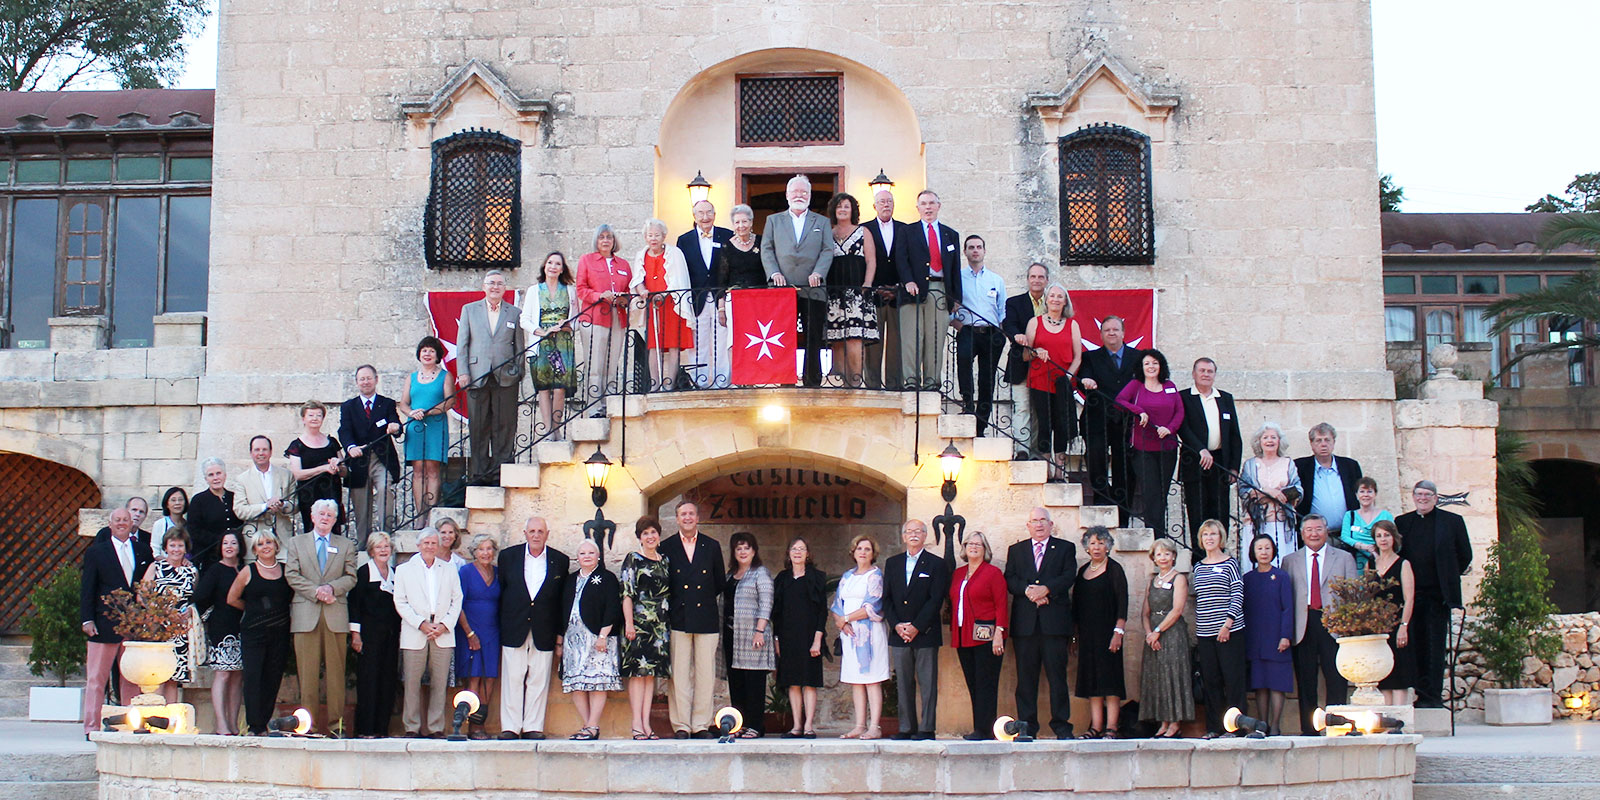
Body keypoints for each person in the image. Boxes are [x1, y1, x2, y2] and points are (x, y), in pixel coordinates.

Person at [1394, 480, 1473, 709]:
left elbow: (1464, 554)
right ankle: (1419, 693)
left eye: (1428, 494)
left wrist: (1448, 575)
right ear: (1414, 497)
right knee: (1414, 645)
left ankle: (1433, 696)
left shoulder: (1452, 522)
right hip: (1411, 595)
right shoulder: (1403, 522)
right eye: (1419, 494)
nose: (1423, 498)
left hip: (1438, 595)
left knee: (1435, 645)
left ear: (1436, 497)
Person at [283, 499, 359, 736]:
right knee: (307, 675)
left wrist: (331, 589)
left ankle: (337, 726)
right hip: (306, 615)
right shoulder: (296, 543)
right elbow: (291, 574)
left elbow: (351, 577)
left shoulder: (346, 545)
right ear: (312, 516)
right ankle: (308, 725)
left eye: (330, 515)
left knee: (337, 674)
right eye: (321, 513)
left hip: (335, 614)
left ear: (335, 520)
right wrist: (316, 591)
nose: (325, 517)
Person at [1004, 507, 1076, 739]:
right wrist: (1028, 591)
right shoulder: (1016, 550)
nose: (1039, 525)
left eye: (1043, 520)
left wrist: (1047, 590)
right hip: (1026, 626)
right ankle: (1027, 726)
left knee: (1057, 678)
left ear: (1050, 524)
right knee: (1025, 679)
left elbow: (1068, 575)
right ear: (1028, 525)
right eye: (1034, 521)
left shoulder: (1065, 548)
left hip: (1054, 625)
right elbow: (1010, 578)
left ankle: (1062, 726)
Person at [80, 508, 153, 735]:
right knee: (96, 679)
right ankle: (91, 727)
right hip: (103, 623)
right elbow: (88, 588)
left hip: (133, 625)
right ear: (110, 525)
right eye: (117, 520)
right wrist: (87, 619)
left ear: (132, 524)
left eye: (126, 520)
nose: (122, 523)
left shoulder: (143, 551)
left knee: (131, 677)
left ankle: (127, 724)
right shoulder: (96, 552)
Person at [1282, 515, 1357, 734]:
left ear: (1326, 531)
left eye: (1318, 529)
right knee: (1306, 681)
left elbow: (1352, 594)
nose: (1313, 534)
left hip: (1333, 623)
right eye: (1309, 530)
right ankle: (1309, 730)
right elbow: (1286, 599)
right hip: (1303, 623)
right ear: (1302, 533)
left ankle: (1338, 727)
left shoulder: (1344, 558)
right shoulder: (1290, 560)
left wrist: (1350, 627)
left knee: (1336, 678)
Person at [497, 516, 569, 739]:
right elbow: (501, 592)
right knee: (512, 678)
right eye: (532, 531)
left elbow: (561, 600)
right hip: (514, 625)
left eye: (540, 531)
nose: (536, 535)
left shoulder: (560, 560)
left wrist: (559, 635)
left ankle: (532, 727)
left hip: (544, 628)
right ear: (525, 533)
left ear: (547, 534)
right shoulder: (508, 557)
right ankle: (510, 727)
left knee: (538, 679)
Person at [759, 175, 835, 387]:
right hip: (782, 288)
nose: (799, 195)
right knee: (784, 334)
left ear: (810, 196)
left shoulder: (822, 222)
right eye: (795, 192)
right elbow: (767, 249)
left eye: (804, 192)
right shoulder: (773, 220)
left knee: (813, 335)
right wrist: (774, 273)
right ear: (787, 195)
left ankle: (812, 380)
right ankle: (785, 379)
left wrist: (819, 273)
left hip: (813, 287)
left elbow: (827, 250)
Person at [661, 501, 725, 738]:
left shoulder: (712, 546)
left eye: (691, 513)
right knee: (678, 674)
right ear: (677, 519)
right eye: (682, 514)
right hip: (678, 617)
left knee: (705, 674)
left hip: (706, 617)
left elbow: (719, 582)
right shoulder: (666, 547)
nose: (687, 518)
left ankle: (701, 724)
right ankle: (681, 725)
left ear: (698, 517)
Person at [455, 270, 525, 485]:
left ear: (505, 288)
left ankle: (501, 473)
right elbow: (462, 345)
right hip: (478, 375)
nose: (495, 287)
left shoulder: (514, 312)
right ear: (484, 287)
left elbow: (519, 347)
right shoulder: (469, 310)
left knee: (505, 426)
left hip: (506, 377)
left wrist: (518, 371)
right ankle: (480, 474)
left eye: (499, 284)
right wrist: (463, 372)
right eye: (491, 283)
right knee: (478, 427)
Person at [393, 527, 464, 738]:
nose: (430, 547)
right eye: (426, 543)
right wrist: (421, 623)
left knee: (439, 684)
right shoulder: (404, 570)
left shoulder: (448, 569)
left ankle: (435, 727)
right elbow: (400, 601)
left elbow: (457, 599)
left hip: (442, 632)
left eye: (434, 543)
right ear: (418, 545)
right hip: (416, 631)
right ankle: (412, 727)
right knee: (412, 684)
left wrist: (444, 625)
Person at [883, 518, 949, 740]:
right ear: (903, 537)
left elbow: (935, 599)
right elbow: (887, 599)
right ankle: (906, 728)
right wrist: (898, 625)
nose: (913, 535)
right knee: (903, 682)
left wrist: (917, 627)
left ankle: (927, 728)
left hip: (925, 633)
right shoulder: (892, 563)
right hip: (899, 633)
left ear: (924, 536)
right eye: (909, 531)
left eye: (918, 531)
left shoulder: (936, 564)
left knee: (927, 683)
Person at [891, 189, 961, 390]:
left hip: (940, 289)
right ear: (918, 208)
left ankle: (932, 382)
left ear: (939, 206)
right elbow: (901, 259)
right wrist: (908, 281)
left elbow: (955, 267)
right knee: (912, 337)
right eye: (924, 204)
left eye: (932, 203)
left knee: (936, 337)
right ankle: (911, 380)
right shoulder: (907, 231)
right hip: (913, 290)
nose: (928, 207)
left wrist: (956, 297)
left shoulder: (951, 234)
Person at [227, 531, 292, 736]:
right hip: (253, 634)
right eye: (260, 544)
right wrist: (254, 611)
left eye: (269, 542)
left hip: (280, 633)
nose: (265, 546)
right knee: (253, 678)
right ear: (254, 549)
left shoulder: (286, 570)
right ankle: (254, 725)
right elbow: (232, 598)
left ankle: (264, 723)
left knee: (272, 679)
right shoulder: (248, 571)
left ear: (276, 545)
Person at [1077, 315, 1141, 519]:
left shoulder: (1139, 357)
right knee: (1096, 460)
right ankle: (1102, 500)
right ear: (1101, 334)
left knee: (1125, 466)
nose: (1111, 333)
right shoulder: (1090, 358)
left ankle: (1123, 512)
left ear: (1123, 333)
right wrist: (1085, 380)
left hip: (1127, 423)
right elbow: (1081, 381)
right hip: (1097, 420)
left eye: (1115, 329)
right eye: (1107, 330)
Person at [1178, 358, 1244, 552]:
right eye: (1202, 371)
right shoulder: (1184, 397)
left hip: (1220, 464)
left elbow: (1234, 435)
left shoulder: (1225, 398)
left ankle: (1220, 557)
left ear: (1214, 374)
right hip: (1195, 463)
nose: (1206, 374)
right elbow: (1183, 428)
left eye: (1210, 371)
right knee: (1198, 513)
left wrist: (1233, 467)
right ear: (1194, 374)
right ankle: (1199, 559)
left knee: (1220, 513)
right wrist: (1200, 449)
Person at [1116, 349, 1184, 533]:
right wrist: (1139, 411)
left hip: (1168, 448)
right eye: (1147, 363)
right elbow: (1120, 401)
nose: (1151, 366)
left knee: (1162, 494)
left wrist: (1169, 429)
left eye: (1155, 363)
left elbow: (1179, 411)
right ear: (1141, 366)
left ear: (1161, 366)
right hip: (1143, 448)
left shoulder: (1169, 385)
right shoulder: (1136, 385)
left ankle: (1159, 537)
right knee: (1151, 493)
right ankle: (1156, 538)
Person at [560, 539, 622, 740]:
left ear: (598, 556)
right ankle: (588, 726)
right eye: (582, 553)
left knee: (598, 682)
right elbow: (561, 609)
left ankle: (593, 725)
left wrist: (603, 635)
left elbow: (612, 607)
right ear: (577, 557)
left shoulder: (607, 578)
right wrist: (559, 640)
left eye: (590, 553)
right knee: (577, 682)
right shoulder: (570, 580)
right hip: (573, 640)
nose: (586, 556)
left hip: (598, 637)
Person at [1191, 519, 1247, 739]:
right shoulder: (1198, 566)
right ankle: (1214, 727)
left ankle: (1237, 727)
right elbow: (1199, 599)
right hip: (1205, 634)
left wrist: (1228, 624)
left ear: (1221, 538)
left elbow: (1237, 594)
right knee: (1211, 681)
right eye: (1205, 535)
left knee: (1232, 680)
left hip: (1229, 631)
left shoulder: (1231, 564)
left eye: (1213, 534)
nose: (1209, 538)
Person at [949, 531, 1007, 740]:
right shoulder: (958, 573)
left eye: (978, 544)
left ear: (985, 550)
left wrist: (999, 633)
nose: (973, 547)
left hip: (987, 636)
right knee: (973, 683)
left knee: (986, 684)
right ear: (964, 549)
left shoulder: (993, 573)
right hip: (963, 635)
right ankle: (979, 727)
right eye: (970, 544)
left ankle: (986, 730)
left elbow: (1001, 605)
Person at [1072, 526, 1128, 739]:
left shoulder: (1114, 569)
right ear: (1087, 547)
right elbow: (1076, 604)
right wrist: (1075, 635)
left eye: (1101, 543)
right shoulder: (1082, 570)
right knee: (1091, 681)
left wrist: (1118, 631)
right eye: (1093, 543)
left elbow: (1123, 602)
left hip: (1109, 633)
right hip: (1087, 635)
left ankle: (1112, 726)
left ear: (1108, 546)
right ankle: (1096, 726)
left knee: (1110, 681)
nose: (1097, 547)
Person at [620, 516, 672, 740]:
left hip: (659, 626)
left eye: (653, 532)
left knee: (651, 675)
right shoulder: (633, 559)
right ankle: (636, 723)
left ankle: (646, 723)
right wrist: (629, 624)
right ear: (639, 538)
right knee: (637, 674)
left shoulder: (666, 561)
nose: (650, 537)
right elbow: (627, 593)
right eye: (645, 533)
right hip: (638, 625)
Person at [339, 365, 402, 547]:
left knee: (384, 489)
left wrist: (395, 427)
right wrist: (350, 447)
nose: (365, 382)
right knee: (360, 504)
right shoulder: (349, 406)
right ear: (357, 382)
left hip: (381, 458)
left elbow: (395, 422)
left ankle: (385, 536)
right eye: (362, 379)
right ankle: (363, 544)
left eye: (369, 378)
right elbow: (344, 430)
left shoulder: (387, 403)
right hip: (359, 461)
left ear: (376, 379)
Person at [832, 535, 888, 740]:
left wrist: (846, 618)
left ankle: (875, 726)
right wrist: (842, 622)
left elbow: (872, 605)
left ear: (873, 554)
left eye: (867, 549)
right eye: (859, 549)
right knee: (856, 680)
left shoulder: (875, 576)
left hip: (869, 635)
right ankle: (859, 725)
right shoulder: (847, 576)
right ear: (853, 552)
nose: (863, 552)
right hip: (849, 634)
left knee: (872, 680)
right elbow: (837, 603)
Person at [1024, 284, 1083, 478]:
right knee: (1044, 422)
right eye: (1052, 296)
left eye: (1060, 296)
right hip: (1040, 380)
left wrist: (1067, 377)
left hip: (1062, 382)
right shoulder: (1035, 322)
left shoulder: (1072, 324)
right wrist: (1035, 351)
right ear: (1046, 299)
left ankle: (1059, 471)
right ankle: (1045, 469)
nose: (1056, 299)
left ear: (1065, 301)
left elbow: (1077, 357)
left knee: (1061, 425)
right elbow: (1025, 355)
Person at [771, 537, 826, 739]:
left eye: (802, 549)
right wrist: (776, 639)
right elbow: (776, 612)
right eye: (794, 549)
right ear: (788, 553)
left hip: (810, 636)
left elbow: (822, 612)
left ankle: (809, 725)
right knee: (792, 682)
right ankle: (796, 726)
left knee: (809, 682)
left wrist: (818, 639)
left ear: (808, 554)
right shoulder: (782, 579)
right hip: (787, 637)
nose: (797, 552)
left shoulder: (817, 577)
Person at [823, 192, 879, 388]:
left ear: (853, 210)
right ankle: (839, 381)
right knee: (837, 338)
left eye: (846, 206)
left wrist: (867, 284)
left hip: (857, 292)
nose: (843, 209)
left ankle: (855, 382)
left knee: (854, 337)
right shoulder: (828, 233)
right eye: (839, 206)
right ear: (833, 210)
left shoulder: (863, 232)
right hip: (834, 293)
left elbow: (871, 260)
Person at [676, 200, 734, 388]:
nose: (705, 217)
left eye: (709, 212)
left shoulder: (727, 235)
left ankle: (722, 381)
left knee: (722, 340)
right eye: (700, 213)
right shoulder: (684, 240)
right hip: (696, 298)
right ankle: (699, 383)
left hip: (721, 298)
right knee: (697, 342)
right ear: (694, 216)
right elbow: (682, 271)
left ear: (715, 214)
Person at [349, 532, 402, 739]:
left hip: (390, 636)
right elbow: (354, 606)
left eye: (386, 546)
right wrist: (356, 635)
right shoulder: (363, 573)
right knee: (368, 681)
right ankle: (365, 729)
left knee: (387, 681)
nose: (383, 550)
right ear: (371, 550)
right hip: (368, 637)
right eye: (379, 547)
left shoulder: (396, 573)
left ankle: (382, 729)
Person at [632, 218, 694, 392]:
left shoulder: (674, 253)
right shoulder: (641, 255)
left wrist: (665, 293)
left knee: (673, 344)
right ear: (645, 237)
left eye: (657, 235)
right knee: (653, 345)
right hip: (652, 306)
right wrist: (642, 290)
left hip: (671, 304)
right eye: (650, 235)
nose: (653, 239)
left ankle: (670, 384)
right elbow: (637, 278)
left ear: (664, 236)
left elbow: (678, 278)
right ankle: (655, 384)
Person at [1139, 539, 1193, 739]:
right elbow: (1144, 612)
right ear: (1154, 557)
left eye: (1167, 554)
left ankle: (1175, 722)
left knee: (1173, 674)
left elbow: (1177, 609)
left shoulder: (1178, 579)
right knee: (1158, 676)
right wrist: (1148, 633)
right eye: (1159, 554)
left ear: (1173, 557)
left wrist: (1158, 631)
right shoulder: (1151, 581)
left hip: (1172, 633)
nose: (1163, 557)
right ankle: (1163, 721)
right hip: (1153, 634)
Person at [574, 224, 633, 408]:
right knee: (595, 364)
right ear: (596, 241)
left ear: (614, 241)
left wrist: (625, 299)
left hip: (618, 315)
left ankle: (611, 404)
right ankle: (594, 407)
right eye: (602, 237)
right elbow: (581, 289)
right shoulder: (587, 260)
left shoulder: (623, 264)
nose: (606, 240)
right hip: (595, 316)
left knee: (612, 362)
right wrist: (598, 296)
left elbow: (629, 289)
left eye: (609, 237)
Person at [952, 235, 1006, 434]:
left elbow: (1002, 311)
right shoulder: (958, 278)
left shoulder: (996, 280)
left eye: (979, 247)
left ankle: (982, 424)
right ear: (965, 252)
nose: (975, 250)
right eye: (971, 247)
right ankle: (968, 404)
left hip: (991, 333)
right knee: (964, 363)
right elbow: (950, 307)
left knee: (987, 379)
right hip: (968, 331)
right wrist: (960, 326)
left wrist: (1000, 334)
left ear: (984, 251)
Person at [522, 252, 579, 438]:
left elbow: (578, 319)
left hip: (562, 344)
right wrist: (542, 331)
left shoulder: (570, 290)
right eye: (550, 263)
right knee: (544, 388)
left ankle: (557, 428)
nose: (553, 266)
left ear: (562, 269)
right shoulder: (534, 290)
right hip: (541, 344)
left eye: (557, 264)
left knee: (559, 387)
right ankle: (547, 430)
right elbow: (525, 319)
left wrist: (568, 327)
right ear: (544, 266)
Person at [138, 529, 199, 703]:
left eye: (180, 545)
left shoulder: (191, 571)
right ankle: (154, 716)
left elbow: (194, 597)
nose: (176, 549)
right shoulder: (156, 567)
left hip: (180, 629)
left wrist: (190, 611)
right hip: (159, 627)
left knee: (173, 676)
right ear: (165, 547)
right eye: (172, 545)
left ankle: (171, 719)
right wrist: (162, 612)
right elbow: (142, 595)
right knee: (157, 674)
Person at [723, 532, 774, 738]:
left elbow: (766, 602)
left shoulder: (760, 573)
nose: (742, 552)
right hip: (731, 635)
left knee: (754, 681)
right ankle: (740, 724)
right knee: (736, 682)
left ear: (754, 551)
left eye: (746, 548)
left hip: (753, 635)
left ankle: (756, 725)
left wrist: (759, 630)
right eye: (738, 548)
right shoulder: (730, 575)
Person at [1242, 534, 1294, 736]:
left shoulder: (1281, 576)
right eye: (1259, 548)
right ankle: (1261, 724)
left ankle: (1275, 725)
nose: (1264, 552)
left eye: (1267, 548)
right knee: (1260, 684)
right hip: (1255, 637)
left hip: (1276, 637)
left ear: (1273, 551)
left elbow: (1287, 608)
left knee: (1276, 683)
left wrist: (1285, 635)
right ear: (1253, 553)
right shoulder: (1247, 579)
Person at [195, 530, 245, 734]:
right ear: (220, 547)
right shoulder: (215, 570)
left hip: (241, 627)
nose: (229, 546)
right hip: (221, 628)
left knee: (237, 676)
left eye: (233, 542)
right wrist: (210, 617)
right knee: (223, 673)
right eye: (225, 543)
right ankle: (221, 724)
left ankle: (233, 723)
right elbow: (200, 597)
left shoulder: (243, 569)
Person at [398, 337, 454, 515]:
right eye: (424, 350)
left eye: (431, 350)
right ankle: (420, 513)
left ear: (437, 355)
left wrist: (429, 412)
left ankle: (431, 511)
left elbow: (450, 401)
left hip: (435, 426)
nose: (427, 354)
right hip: (415, 427)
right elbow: (404, 404)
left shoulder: (445, 376)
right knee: (418, 470)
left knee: (432, 469)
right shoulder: (411, 378)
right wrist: (411, 413)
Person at [455, 534, 502, 739]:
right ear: (474, 551)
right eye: (481, 549)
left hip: (493, 630)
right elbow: (458, 604)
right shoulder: (465, 572)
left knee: (490, 677)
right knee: (473, 676)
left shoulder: (499, 573)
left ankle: (481, 721)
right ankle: (472, 726)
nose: (486, 553)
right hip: (470, 630)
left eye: (489, 548)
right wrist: (469, 633)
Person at [1238, 422, 1303, 567]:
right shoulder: (1250, 465)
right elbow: (1243, 491)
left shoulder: (1288, 463)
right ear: (1259, 442)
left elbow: (1298, 490)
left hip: (1282, 522)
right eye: (1265, 437)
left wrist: (1266, 494)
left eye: (1273, 437)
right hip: (1256, 523)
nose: (1270, 440)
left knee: (1283, 562)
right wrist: (1269, 492)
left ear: (1279, 441)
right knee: (1256, 562)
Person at [863, 189, 908, 389]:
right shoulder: (865, 229)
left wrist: (899, 287)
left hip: (898, 294)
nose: (886, 205)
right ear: (874, 206)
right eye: (881, 201)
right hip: (874, 294)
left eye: (889, 201)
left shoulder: (905, 229)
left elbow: (908, 260)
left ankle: (894, 385)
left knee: (897, 345)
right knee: (872, 343)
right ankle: (872, 384)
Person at [1371, 519, 1417, 705]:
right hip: (1378, 626)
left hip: (1398, 624)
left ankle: (1400, 719)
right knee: (1384, 677)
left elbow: (1409, 598)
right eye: (1379, 536)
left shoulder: (1403, 564)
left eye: (1387, 535)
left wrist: (1404, 626)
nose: (1383, 539)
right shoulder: (1371, 564)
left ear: (1394, 538)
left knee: (1399, 675)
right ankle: (1387, 721)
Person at [1294, 423, 1363, 537]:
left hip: (1347, 535)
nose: (1323, 444)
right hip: (1314, 536)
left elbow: (1360, 497)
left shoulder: (1350, 466)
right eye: (1318, 440)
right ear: (1311, 444)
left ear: (1333, 442)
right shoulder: (1300, 467)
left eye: (1327, 440)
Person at [285, 400, 345, 534]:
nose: (315, 418)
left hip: (331, 493)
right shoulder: (296, 446)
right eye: (311, 415)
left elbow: (344, 470)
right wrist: (324, 468)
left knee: (334, 531)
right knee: (312, 532)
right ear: (303, 419)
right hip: (309, 496)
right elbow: (298, 474)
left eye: (318, 415)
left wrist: (337, 464)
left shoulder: (332, 442)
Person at [1003, 263, 1049, 433]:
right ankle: (1022, 450)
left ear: (1046, 280)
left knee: (1041, 411)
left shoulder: (1053, 303)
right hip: (1021, 362)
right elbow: (1009, 324)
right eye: (1033, 276)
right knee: (1022, 407)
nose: (1036, 280)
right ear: (1028, 279)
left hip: (1046, 365)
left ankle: (1036, 453)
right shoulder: (1014, 302)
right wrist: (1017, 335)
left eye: (1040, 277)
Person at [233, 435, 296, 550]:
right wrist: (264, 507)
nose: (261, 453)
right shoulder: (242, 479)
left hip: (283, 539)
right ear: (251, 453)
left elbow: (295, 505)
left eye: (264, 449)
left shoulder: (286, 475)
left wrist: (282, 505)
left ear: (271, 452)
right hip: (255, 540)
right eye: (257, 450)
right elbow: (240, 510)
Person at [187, 457, 242, 567]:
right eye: (211, 475)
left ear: (225, 475)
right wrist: (221, 541)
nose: (216, 478)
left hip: (235, 556)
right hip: (209, 557)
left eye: (218, 473)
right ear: (206, 479)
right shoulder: (199, 500)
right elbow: (194, 530)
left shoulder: (234, 497)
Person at [1342, 477, 1394, 572]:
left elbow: (1393, 537)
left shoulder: (1386, 515)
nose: (1365, 495)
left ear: (1375, 494)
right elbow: (1345, 537)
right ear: (1356, 495)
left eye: (1369, 491)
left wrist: (1375, 549)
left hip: (1380, 560)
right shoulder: (1350, 515)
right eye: (1362, 491)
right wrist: (1363, 546)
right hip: (1356, 562)